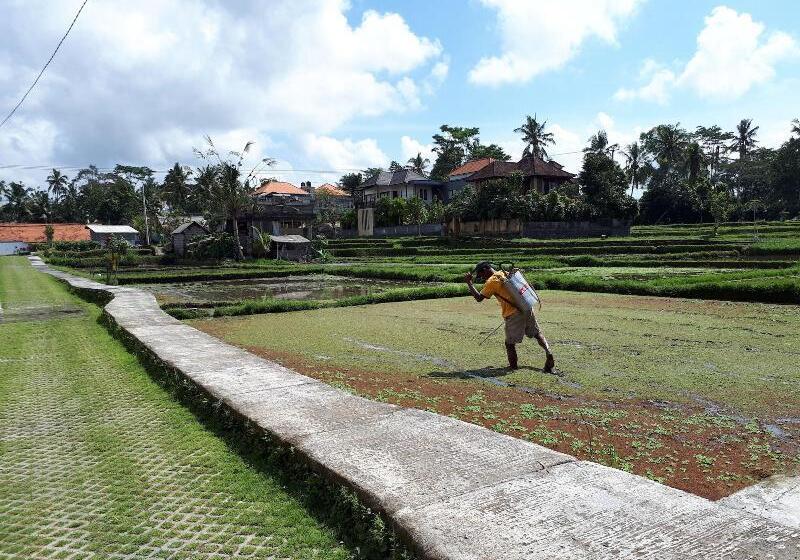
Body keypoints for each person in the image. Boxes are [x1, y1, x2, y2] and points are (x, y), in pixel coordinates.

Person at [465, 261, 555, 373]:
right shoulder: (504, 273)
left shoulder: (491, 281)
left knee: (509, 343)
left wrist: (469, 283)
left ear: (485, 269)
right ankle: (548, 352)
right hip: (527, 307)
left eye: (481, 275)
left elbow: (479, 298)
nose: (482, 278)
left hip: (513, 314)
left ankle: (512, 367)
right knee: (537, 333)